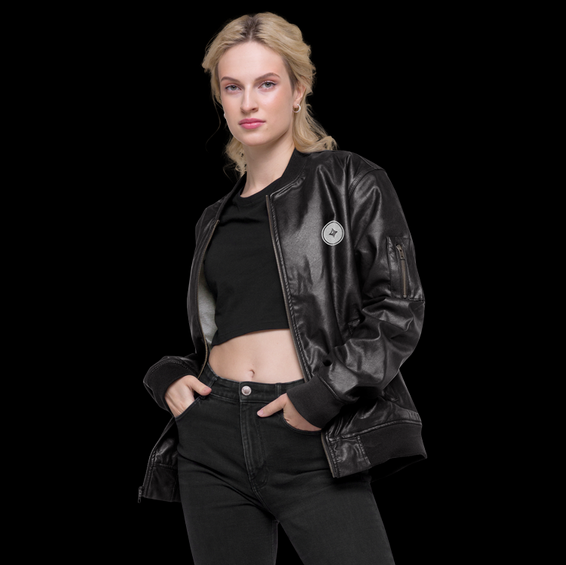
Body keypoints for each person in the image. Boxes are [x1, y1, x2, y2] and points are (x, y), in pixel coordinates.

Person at [139, 12, 426, 565]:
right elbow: (220, 335)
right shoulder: (211, 220)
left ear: (298, 91)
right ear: (220, 99)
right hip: (211, 440)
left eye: (266, 84)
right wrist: (167, 374)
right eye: (233, 87)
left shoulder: (351, 180)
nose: (248, 102)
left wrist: (323, 397)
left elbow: (398, 309)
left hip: (311, 429)